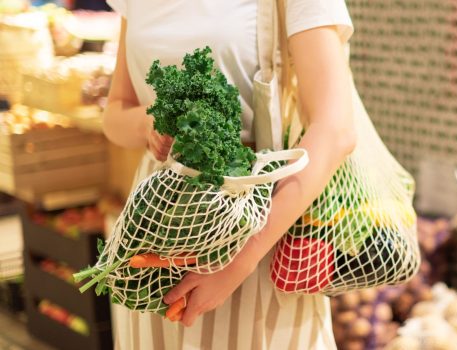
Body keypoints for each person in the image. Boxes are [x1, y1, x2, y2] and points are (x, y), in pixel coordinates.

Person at [102, 0, 355, 348]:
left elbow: (336, 129)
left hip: (253, 220)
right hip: (155, 228)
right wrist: (149, 123)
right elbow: (115, 111)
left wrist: (238, 260)